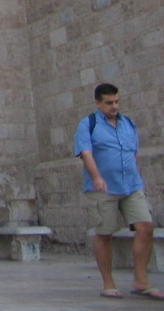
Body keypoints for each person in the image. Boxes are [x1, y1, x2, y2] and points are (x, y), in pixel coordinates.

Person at [75, 83, 163, 300]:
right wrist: (96, 177)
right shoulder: (89, 124)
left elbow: (133, 153)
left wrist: (137, 177)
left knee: (145, 227)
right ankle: (109, 282)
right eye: (109, 103)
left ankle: (142, 280)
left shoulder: (128, 124)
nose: (114, 106)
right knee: (105, 233)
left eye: (116, 101)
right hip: (104, 186)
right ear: (98, 103)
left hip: (131, 186)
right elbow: (86, 153)